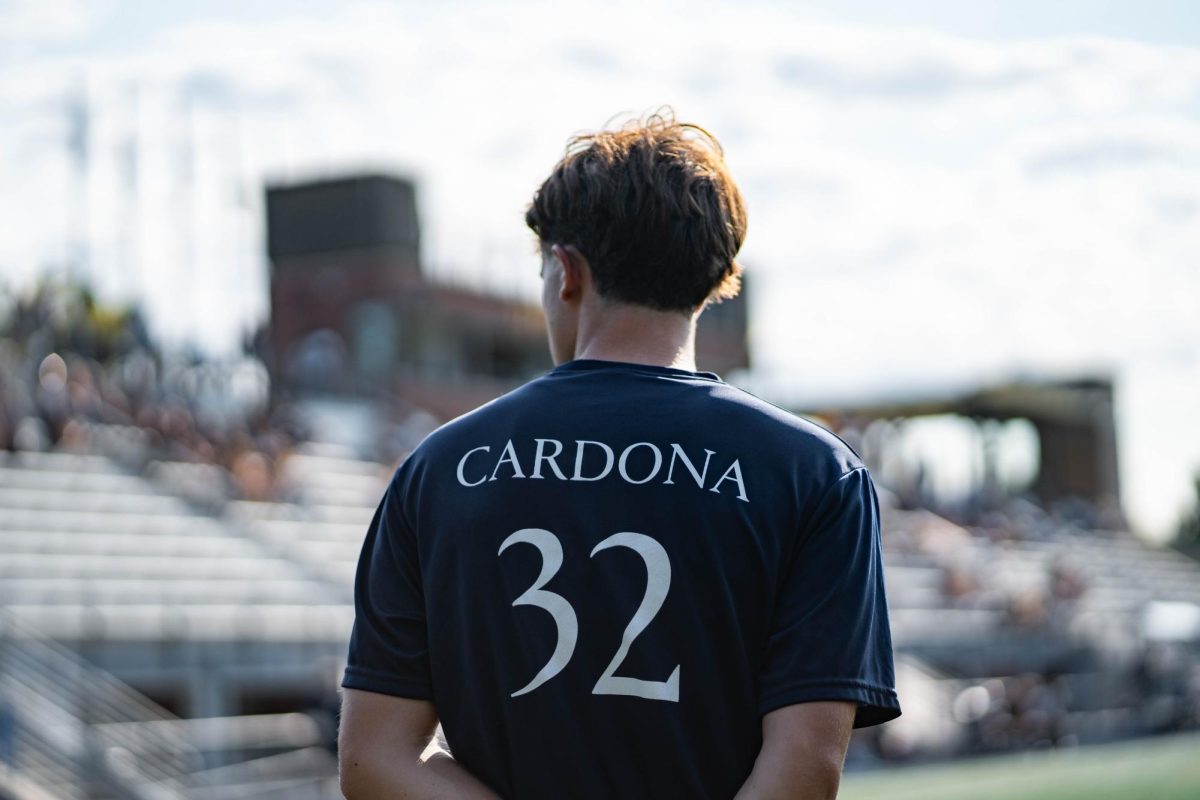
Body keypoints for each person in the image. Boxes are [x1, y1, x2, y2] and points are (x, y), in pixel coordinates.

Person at [338, 107, 901, 800]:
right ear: (714, 280)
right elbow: (806, 767)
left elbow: (373, 760)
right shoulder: (816, 473)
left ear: (565, 271)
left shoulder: (439, 467)